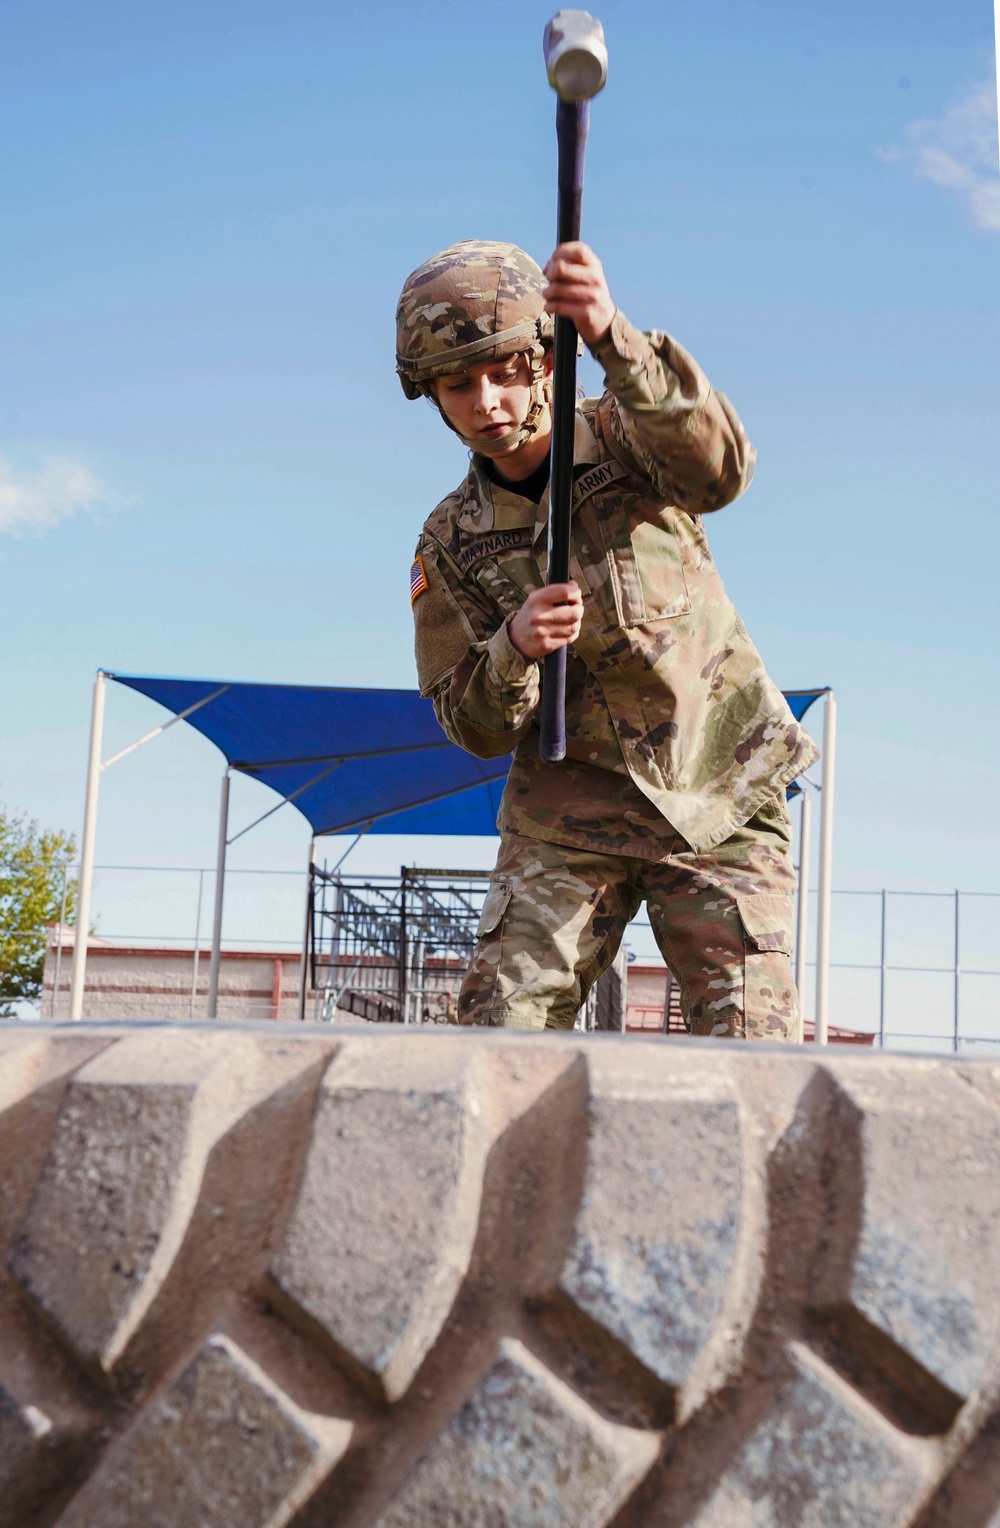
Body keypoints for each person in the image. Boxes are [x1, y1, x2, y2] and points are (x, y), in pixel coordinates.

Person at [397, 239, 818, 1040]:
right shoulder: (448, 542)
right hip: (566, 818)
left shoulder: (630, 433)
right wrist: (513, 648)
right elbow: (473, 728)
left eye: (505, 372)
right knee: (497, 1039)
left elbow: (722, 471)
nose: (485, 400)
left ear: (544, 360)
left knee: (750, 1052)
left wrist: (612, 336)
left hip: (715, 786)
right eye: (458, 384)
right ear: (430, 393)